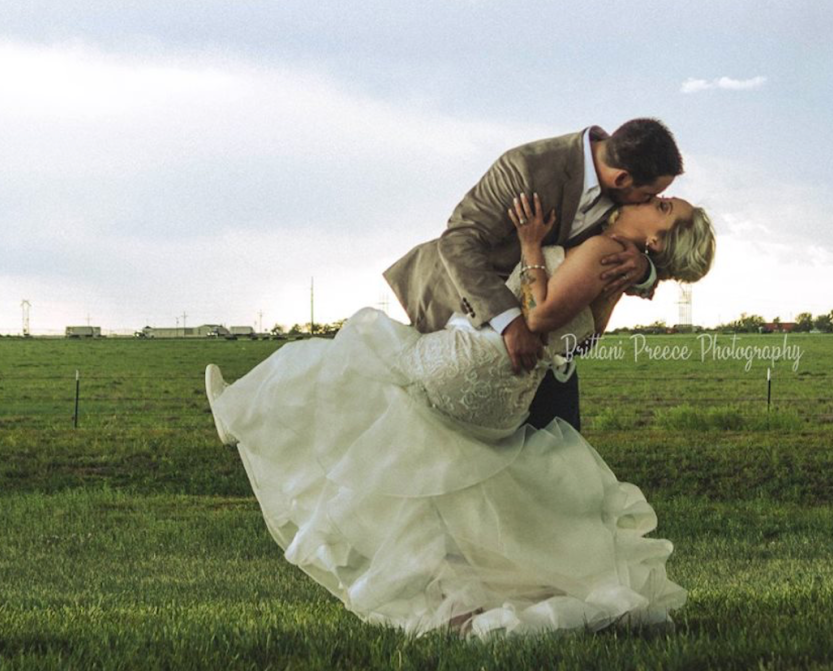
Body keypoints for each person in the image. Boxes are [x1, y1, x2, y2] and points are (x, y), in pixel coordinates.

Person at [206, 195, 715, 639]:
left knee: (346, 356)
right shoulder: (620, 273)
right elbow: (582, 338)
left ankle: (242, 412)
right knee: (446, 488)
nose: (656, 199)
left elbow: (537, 315)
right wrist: (645, 276)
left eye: (666, 209)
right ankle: (462, 607)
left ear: (656, 238)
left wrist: (532, 243)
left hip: (477, 363)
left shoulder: (605, 253)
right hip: (504, 397)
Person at [383, 119, 684, 433]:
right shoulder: (526, 167)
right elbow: (459, 239)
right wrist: (510, 323)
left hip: (550, 340)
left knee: (558, 449)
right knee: (436, 441)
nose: (650, 202)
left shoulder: (623, 195)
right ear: (623, 179)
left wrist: (645, 271)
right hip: (466, 318)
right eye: (650, 194)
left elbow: (653, 246)